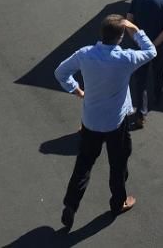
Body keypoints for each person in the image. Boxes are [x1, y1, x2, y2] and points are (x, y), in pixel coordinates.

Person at [55, 15, 156, 230]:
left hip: (90, 121)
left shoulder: (84, 54)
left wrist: (76, 90)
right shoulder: (126, 59)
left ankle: (70, 205)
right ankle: (117, 201)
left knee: (83, 165)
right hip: (115, 123)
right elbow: (151, 51)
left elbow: (60, 72)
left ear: (101, 33)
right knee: (118, 163)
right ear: (120, 37)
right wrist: (135, 29)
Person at [128, 0, 163, 130]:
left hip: (139, 48)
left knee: (140, 79)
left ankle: (140, 113)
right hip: (160, 47)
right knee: (159, 72)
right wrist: (153, 45)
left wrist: (139, 41)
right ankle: (159, 95)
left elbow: (129, 23)